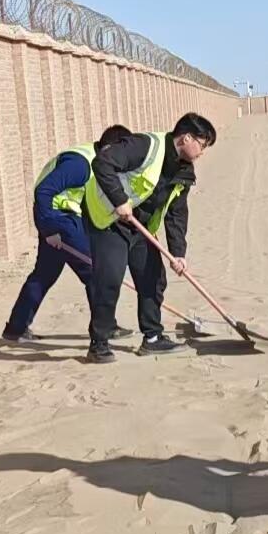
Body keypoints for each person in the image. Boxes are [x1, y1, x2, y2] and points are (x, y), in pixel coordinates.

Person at [81, 113, 217, 363]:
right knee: (109, 278)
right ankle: (98, 343)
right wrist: (119, 200)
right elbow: (102, 163)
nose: (202, 152)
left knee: (153, 278)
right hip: (107, 219)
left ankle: (152, 338)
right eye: (202, 144)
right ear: (186, 137)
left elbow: (176, 215)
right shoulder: (144, 146)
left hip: (139, 225)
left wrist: (178, 253)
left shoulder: (184, 172)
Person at [0, 127, 138, 343]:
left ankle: (16, 328)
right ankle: (107, 327)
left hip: (59, 219)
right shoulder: (80, 164)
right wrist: (50, 230)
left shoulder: (94, 161)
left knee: (43, 275)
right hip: (60, 220)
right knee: (96, 272)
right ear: (111, 147)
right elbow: (43, 191)